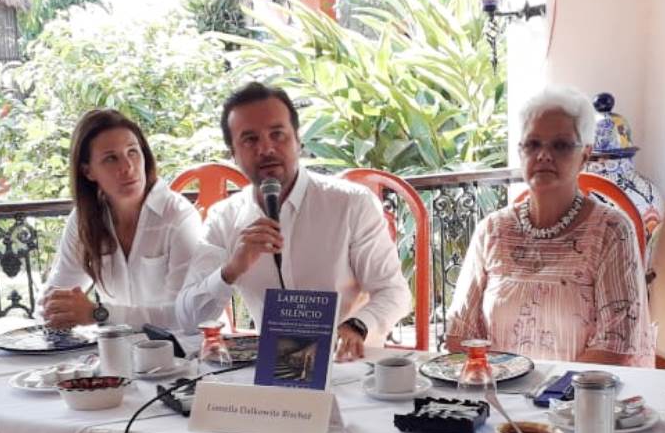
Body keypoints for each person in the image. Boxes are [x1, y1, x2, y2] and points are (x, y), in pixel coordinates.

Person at [176, 82, 411, 361]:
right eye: (250, 140)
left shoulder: (350, 204)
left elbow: (393, 292)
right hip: (270, 370)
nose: (266, 149)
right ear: (233, 154)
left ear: (298, 140)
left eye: (277, 134)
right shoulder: (224, 219)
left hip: (347, 366)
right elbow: (187, 318)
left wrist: (356, 327)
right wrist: (232, 269)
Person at [445, 86, 654, 367]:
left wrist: (545, 390)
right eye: (533, 144)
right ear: (520, 152)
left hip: (581, 392)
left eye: (561, 145)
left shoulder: (611, 231)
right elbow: (459, 333)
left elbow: (615, 346)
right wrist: (501, 384)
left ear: (585, 155)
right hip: (499, 388)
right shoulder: (492, 231)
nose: (544, 155)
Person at [39, 109, 201, 330]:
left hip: (184, 348)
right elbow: (57, 294)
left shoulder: (178, 217)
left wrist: (99, 313)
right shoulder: (83, 220)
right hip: (117, 348)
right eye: (110, 158)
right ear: (88, 171)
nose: (127, 167)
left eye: (133, 152)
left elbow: (185, 316)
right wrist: (52, 309)